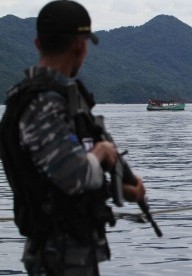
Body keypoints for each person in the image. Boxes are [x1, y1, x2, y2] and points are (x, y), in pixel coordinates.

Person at [0, 1, 146, 275]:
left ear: (37, 42)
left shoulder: (45, 100)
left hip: (66, 251)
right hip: (57, 257)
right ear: (80, 47)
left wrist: (124, 189)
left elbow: (53, 180)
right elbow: (75, 176)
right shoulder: (44, 105)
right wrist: (102, 152)